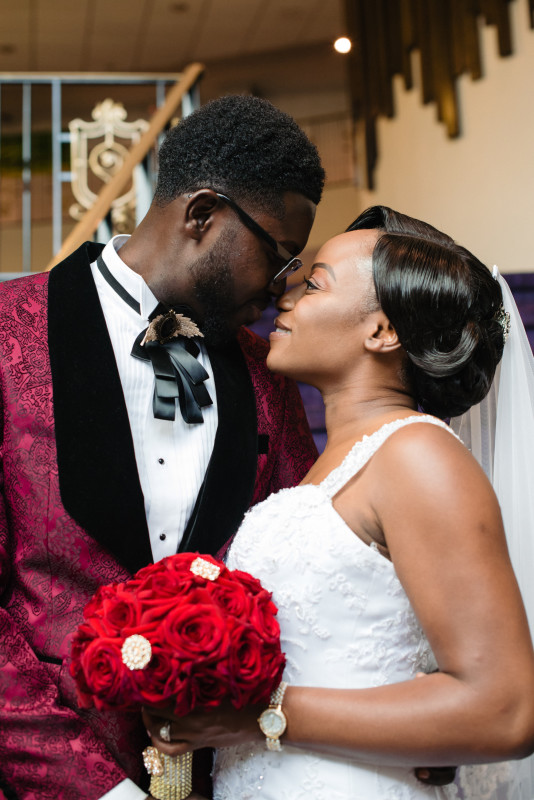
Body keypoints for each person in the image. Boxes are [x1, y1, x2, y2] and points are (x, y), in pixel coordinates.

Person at [144, 207, 534, 799]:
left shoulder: (417, 455)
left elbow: (505, 710)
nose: (286, 298)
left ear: (382, 331)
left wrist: (254, 717)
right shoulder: (322, 468)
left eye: (315, 283)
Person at [0, 95, 325, 799]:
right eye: (276, 257)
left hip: (224, 775)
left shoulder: (270, 376)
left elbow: (302, 571)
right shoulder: (7, 336)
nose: (277, 293)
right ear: (202, 215)